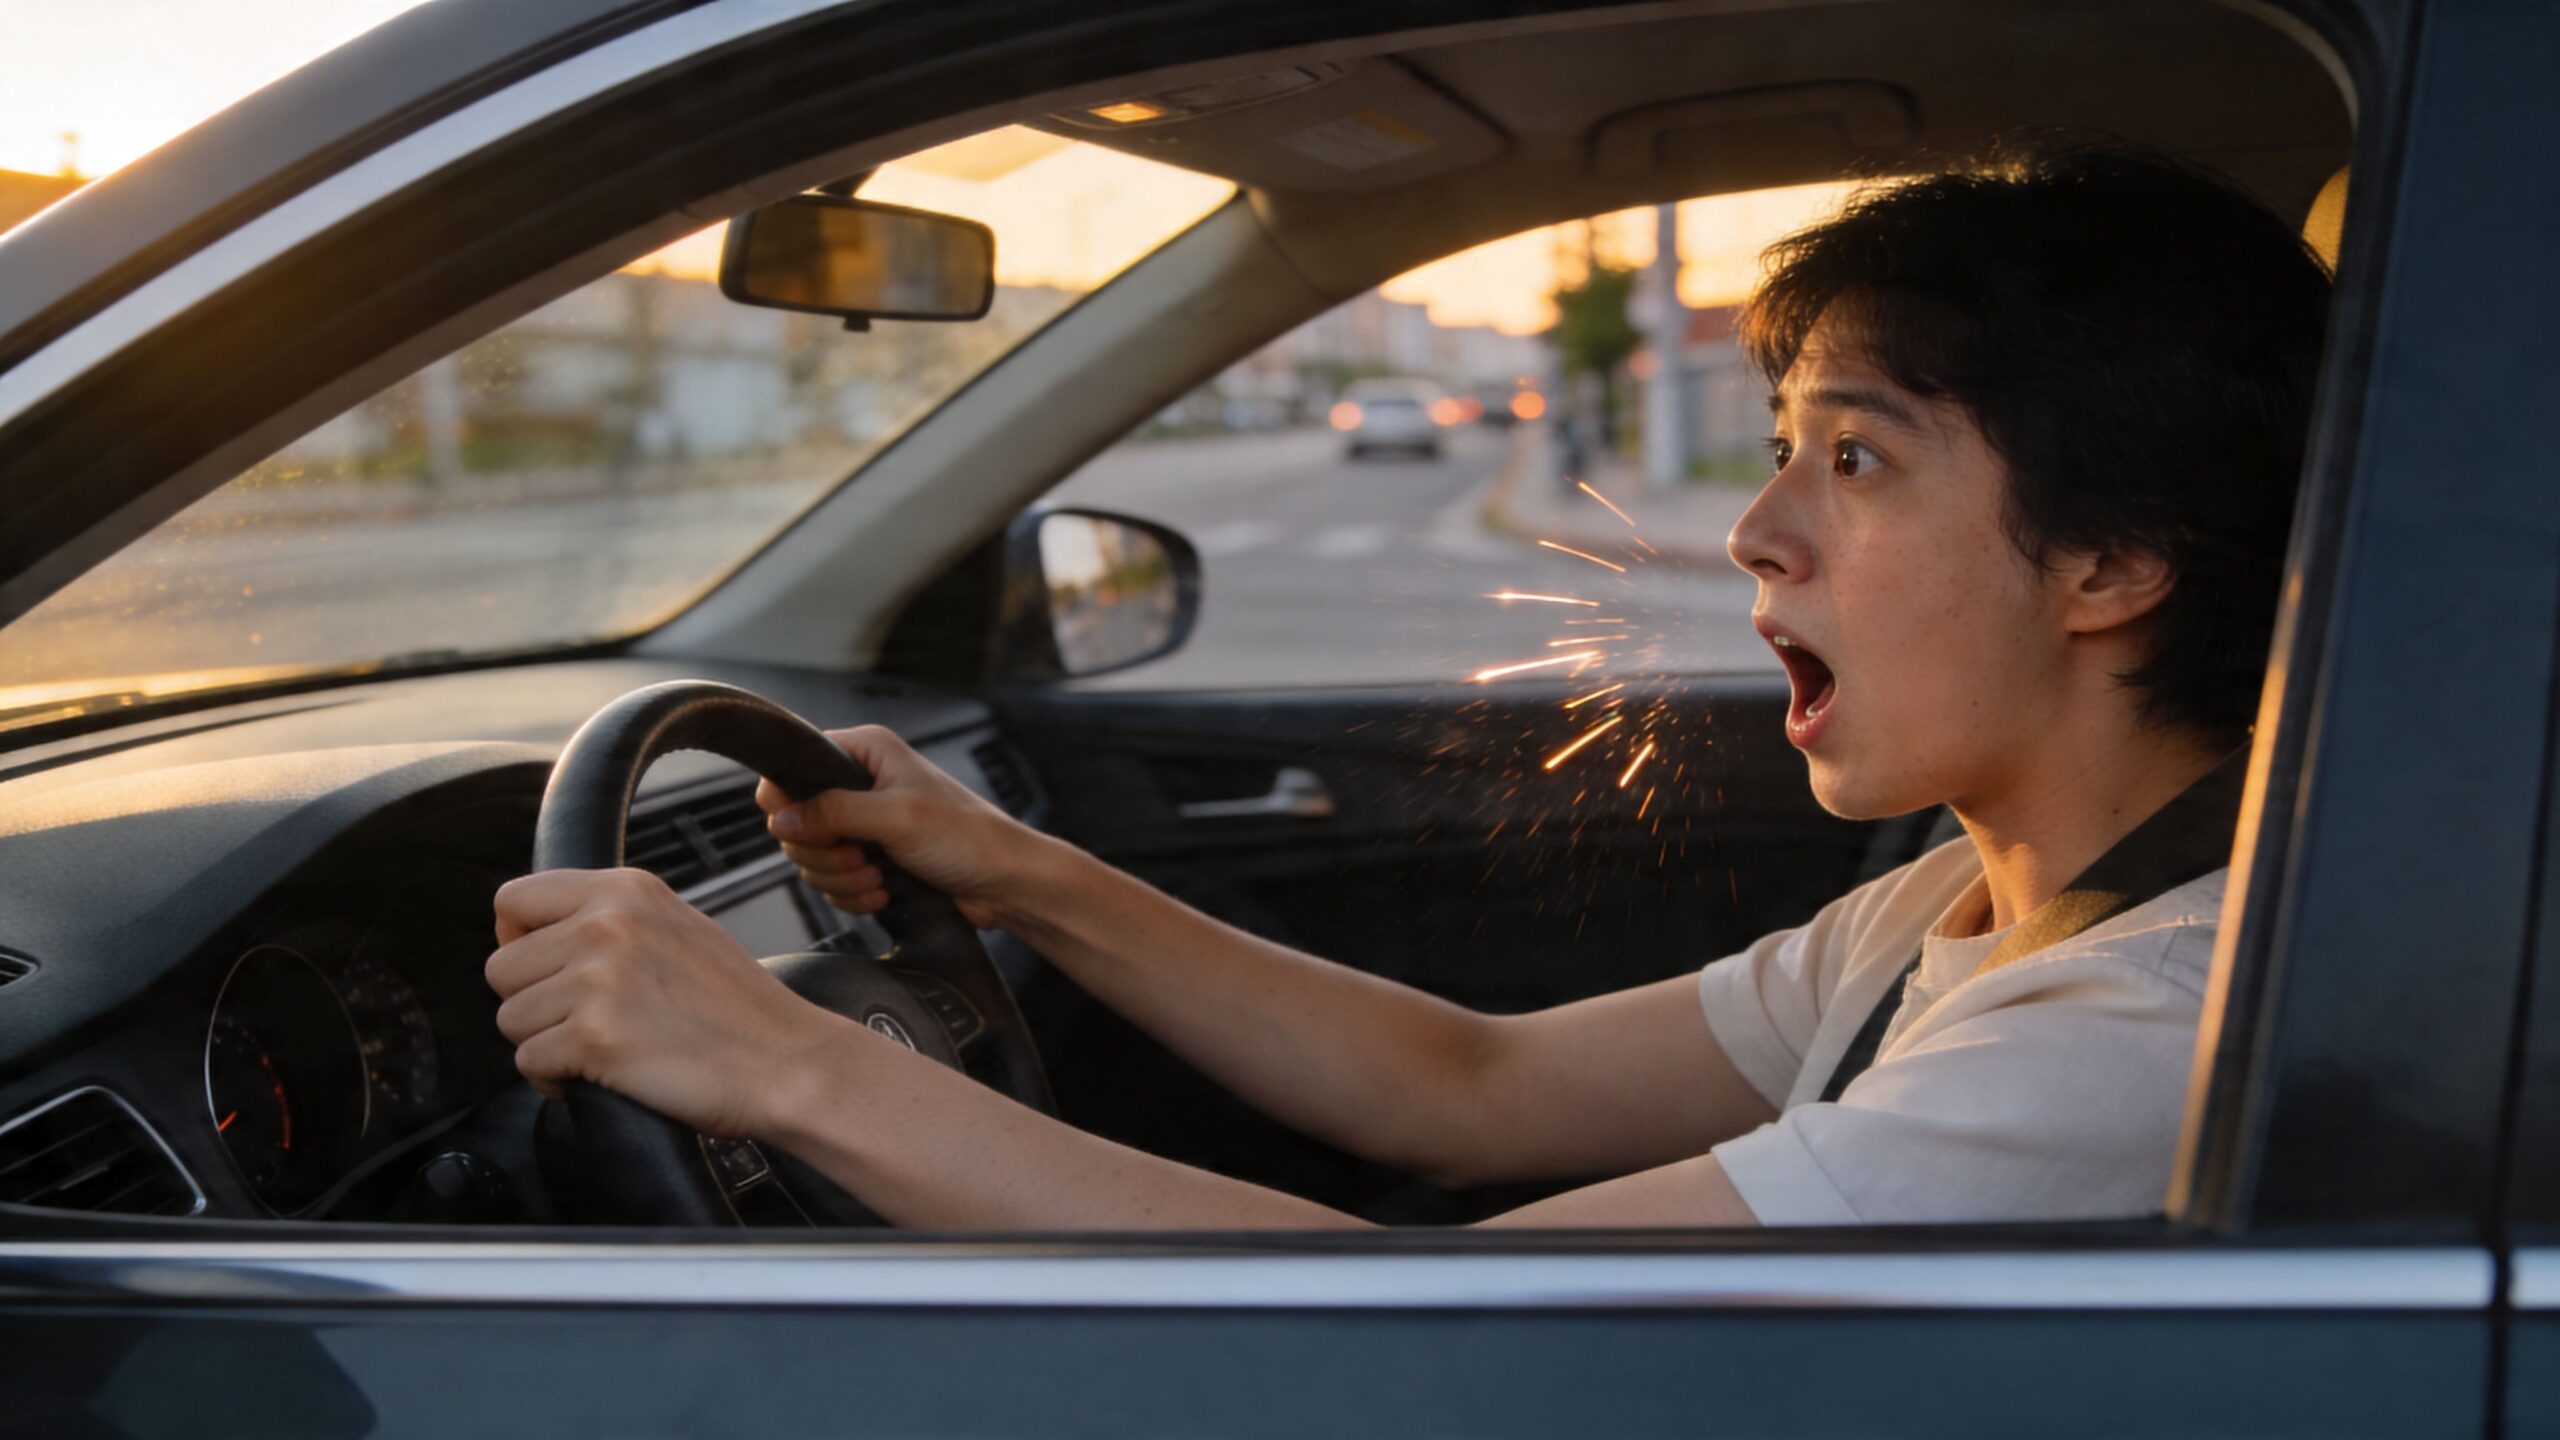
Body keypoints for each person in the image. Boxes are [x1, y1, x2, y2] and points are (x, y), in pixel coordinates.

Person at [485, 147, 2331, 1228]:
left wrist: (783, 1062)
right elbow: (1468, 1084)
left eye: (1855, 460)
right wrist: (1007, 864)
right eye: (1782, 450)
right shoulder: (1958, 905)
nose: (1759, 530)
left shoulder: (2142, 1032)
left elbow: (1422, 1330)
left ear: (2110, 561)